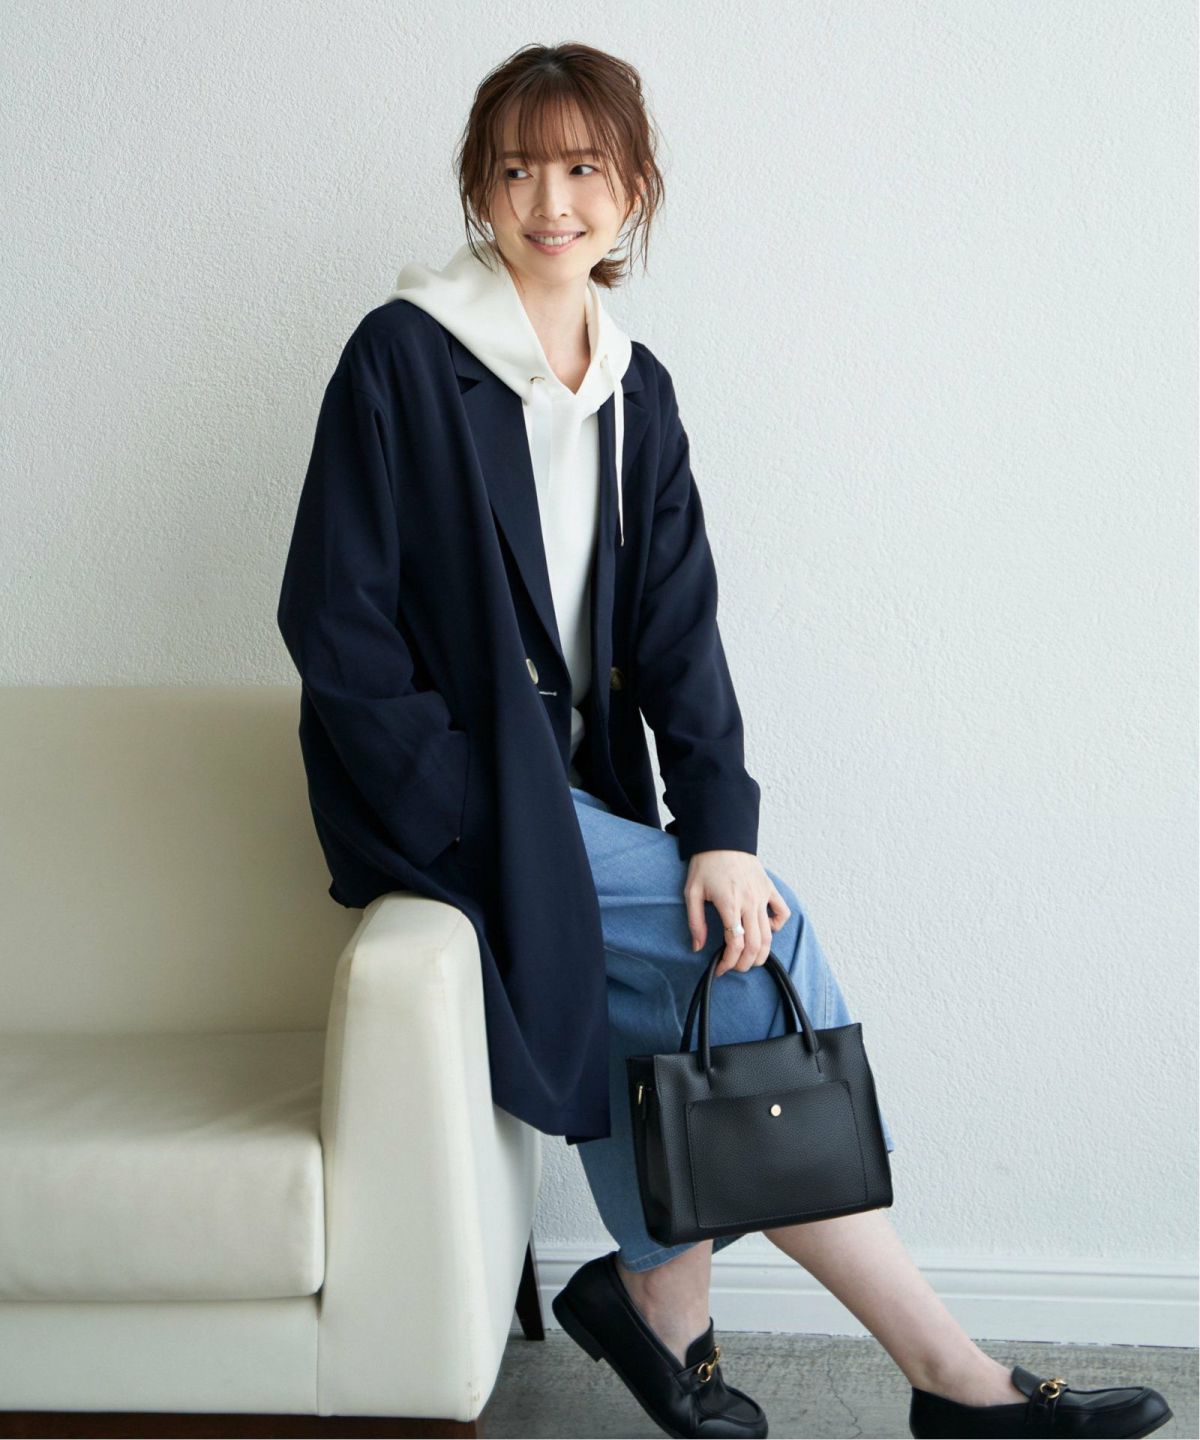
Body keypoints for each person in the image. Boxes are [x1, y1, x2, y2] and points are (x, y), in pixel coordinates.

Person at [276, 41, 1173, 1440]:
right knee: (760, 950)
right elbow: (334, 619)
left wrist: (719, 831)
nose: (551, 202)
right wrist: (459, 803)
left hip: (575, 798)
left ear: (634, 187)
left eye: (585, 168)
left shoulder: (636, 391)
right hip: (448, 801)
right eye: (517, 170)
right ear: (480, 189)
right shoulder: (404, 355)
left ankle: (671, 1306)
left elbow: (678, 636)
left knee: (733, 925)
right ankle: (937, 1371)